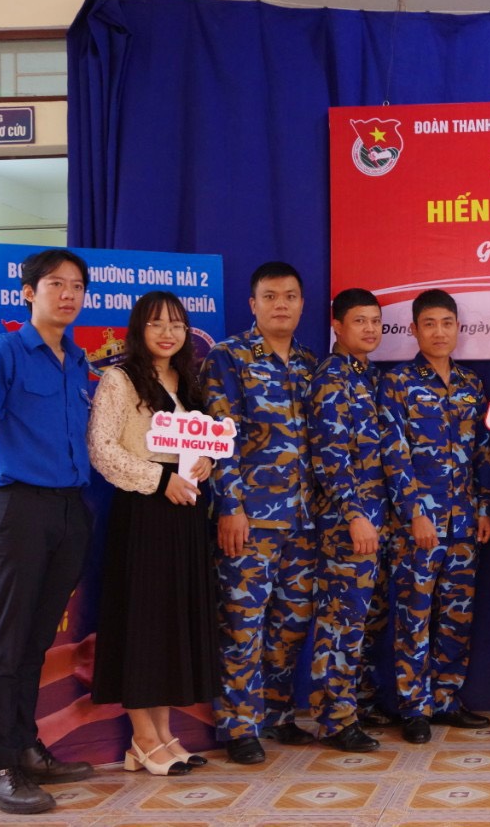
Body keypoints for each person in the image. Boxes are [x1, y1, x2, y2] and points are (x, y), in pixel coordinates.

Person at [0, 248, 95, 814]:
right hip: (18, 507)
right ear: (28, 293)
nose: (68, 294)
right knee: (7, 641)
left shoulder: (79, 362)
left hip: (69, 510)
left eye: (77, 286)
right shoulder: (3, 353)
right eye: (55, 284)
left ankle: (25, 746)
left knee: (37, 639)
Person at [87, 291, 219, 776]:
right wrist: (160, 480)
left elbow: (204, 441)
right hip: (143, 515)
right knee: (143, 624)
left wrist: (205, 462)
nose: (168, 333)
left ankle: (163, 735)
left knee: (169, 625)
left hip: (186, 516)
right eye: (157, 324)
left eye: (177, 325)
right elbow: (102, 450)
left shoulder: (189, 382)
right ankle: (142, 738)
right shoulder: (119, 380)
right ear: (138, 329)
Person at [201, 261, 318, 764]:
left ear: (302, 304)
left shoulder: (311, 364)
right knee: (242, 623)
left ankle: (277, 714)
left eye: (289, 296)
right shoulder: (228, 358)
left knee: (292, 623)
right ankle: (238, 725)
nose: (281, 305)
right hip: (250, 518)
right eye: (270, 296)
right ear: (253, 304)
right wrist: (230, 507)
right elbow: (219, 439)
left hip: (305, 519)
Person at [379, 289, 490, 744]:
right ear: (413, 330)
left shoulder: (471, 384)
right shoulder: (397, 382)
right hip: (419, 526)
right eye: (429, 324)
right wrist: (415, 513)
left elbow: (483, 453)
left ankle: (446, 699)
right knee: (414, 616)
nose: (439, 332)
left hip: (465, 523)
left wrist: (486, 508)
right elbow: (395, 454)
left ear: (457, 328)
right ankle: (415, 706)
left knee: (456, 615)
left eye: (447, 323)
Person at [307, 288, 391, 752]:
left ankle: (358, 703)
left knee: (368, 619)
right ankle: (335, 719)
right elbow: (331, 457)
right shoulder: (331, 378)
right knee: (342, 620)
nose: (370, 329)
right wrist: (355, 514)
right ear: (337, 326)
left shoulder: (370, 376)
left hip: (378, 519)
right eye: (360, 321)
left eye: (375, 321)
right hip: (348, 522)